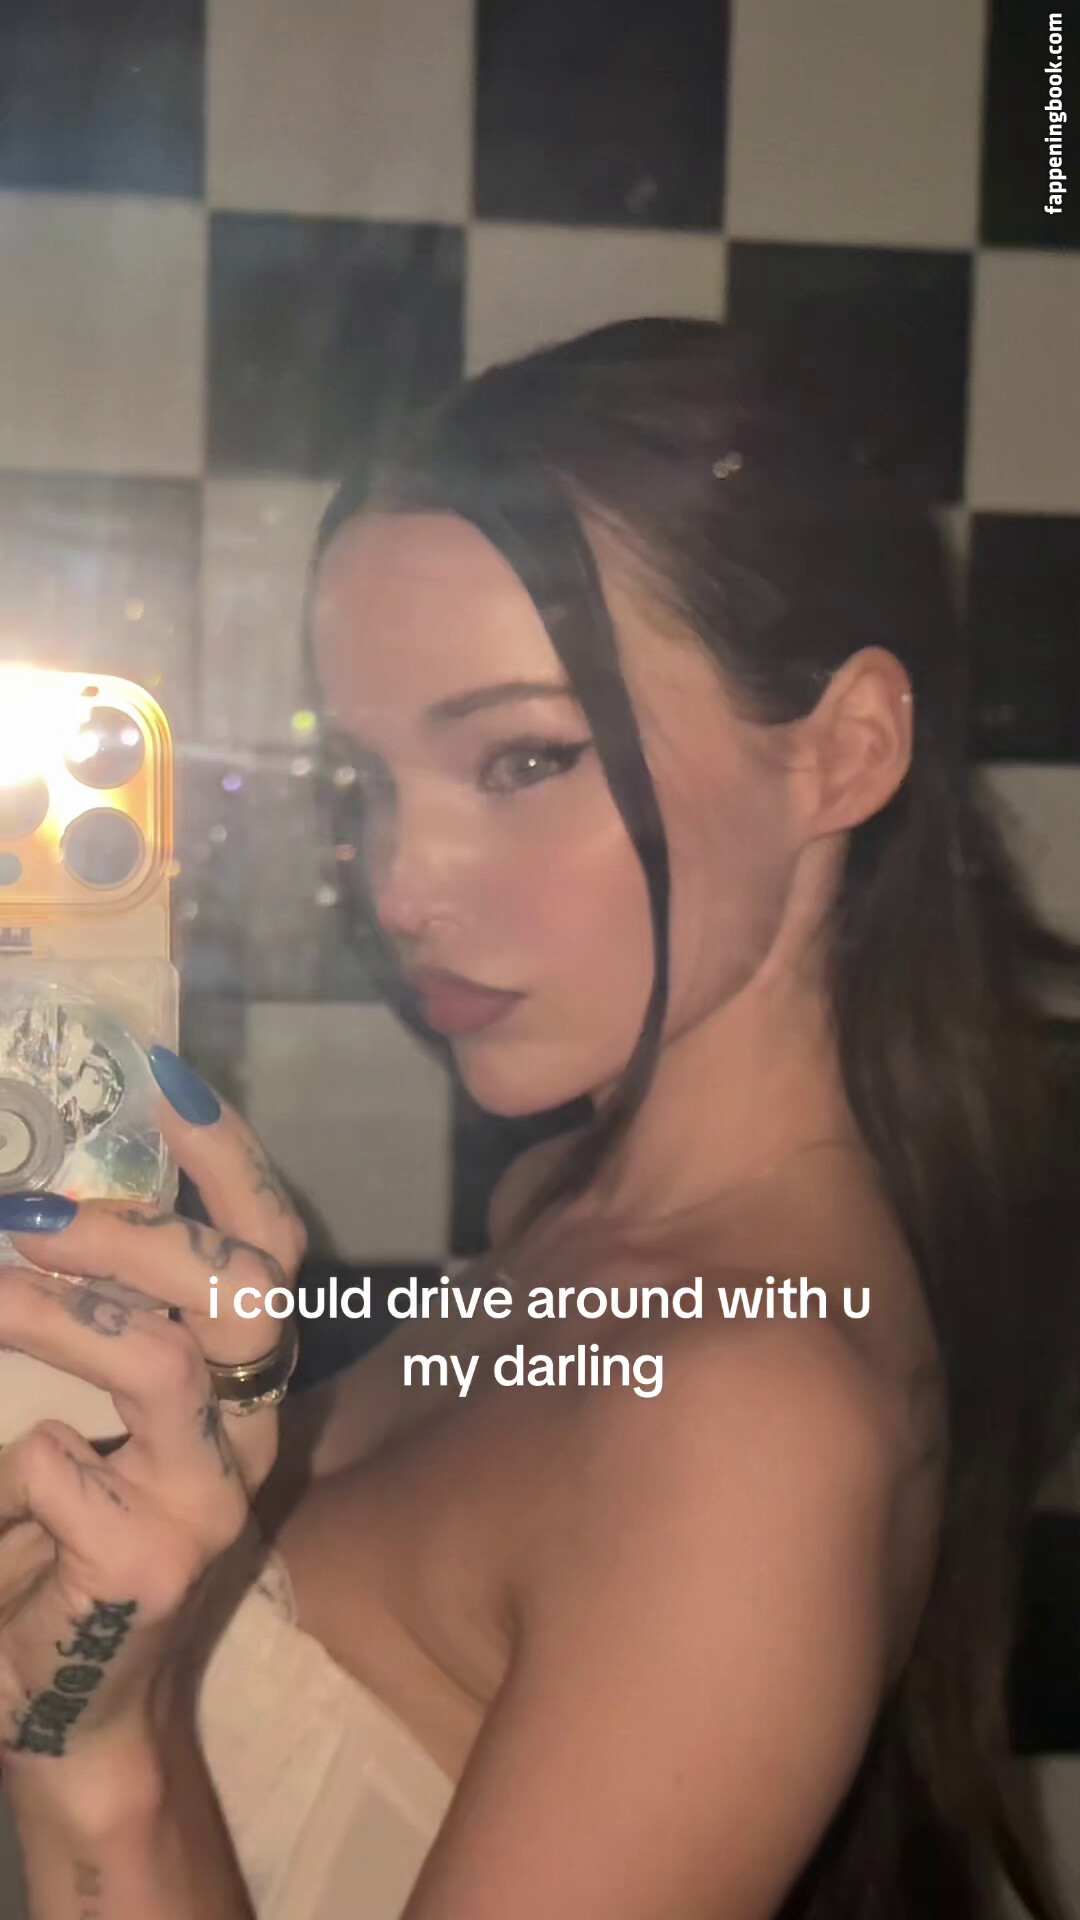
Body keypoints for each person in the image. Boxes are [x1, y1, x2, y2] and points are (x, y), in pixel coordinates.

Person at [0, 318, 1076, 1920]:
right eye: (369, 781)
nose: (402, 887)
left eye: (522, 758)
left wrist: (96, 1746)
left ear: (843, 753)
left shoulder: (752, 1427)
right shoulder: (570, 1199)